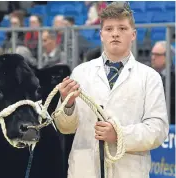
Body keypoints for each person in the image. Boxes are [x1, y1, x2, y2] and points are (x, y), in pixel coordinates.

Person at [54, 2, 169, 178]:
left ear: (133, 34)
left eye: (122, 28)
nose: (115, 33)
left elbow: (158, 130)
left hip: (129, 171)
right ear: (101, 35)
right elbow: (65, 128)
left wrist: (119, 134)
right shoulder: (80, 73)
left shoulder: (149, 77)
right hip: (84, 171)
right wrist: (67, 104)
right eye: (109, 29)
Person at [151, 41, 175, 124]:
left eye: (157, 55)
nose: (153, 57)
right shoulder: (148, 74)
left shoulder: (174, 77)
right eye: (152, 54)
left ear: (167, 57)